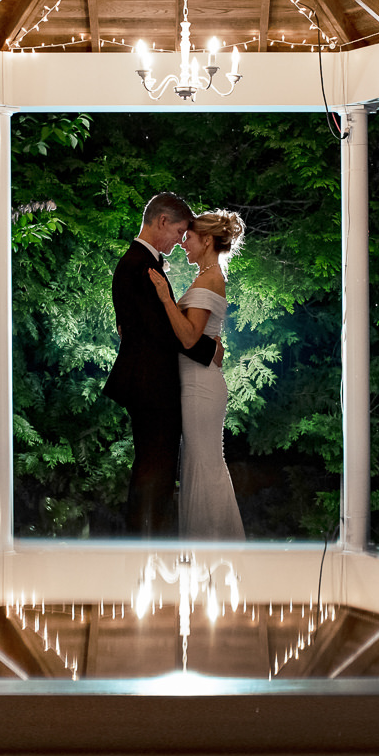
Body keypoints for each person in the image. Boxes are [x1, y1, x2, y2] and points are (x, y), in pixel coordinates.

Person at [102, 192, 220, 536]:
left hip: (150, 381)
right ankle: (146, 547)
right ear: (162, 221)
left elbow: (138, 326)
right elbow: (161, 331)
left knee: (157, 468)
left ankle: (148, 547)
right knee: (155, 470)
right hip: (152, 384)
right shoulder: (140, 265)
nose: (180, 240)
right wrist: (209, 351)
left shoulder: (138, 262)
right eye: (179, 231)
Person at [149, 209, 246, 541]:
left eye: (188, 236)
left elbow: (189, 337)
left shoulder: (210, 278)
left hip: (199, 386)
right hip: (198, 380)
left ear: (206, 240)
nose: (183, 242)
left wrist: (164, 297)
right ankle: (208, 554)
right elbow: (209, 340)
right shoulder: (209, 275)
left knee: (205, 467)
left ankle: (215, 551)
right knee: (200, 465)